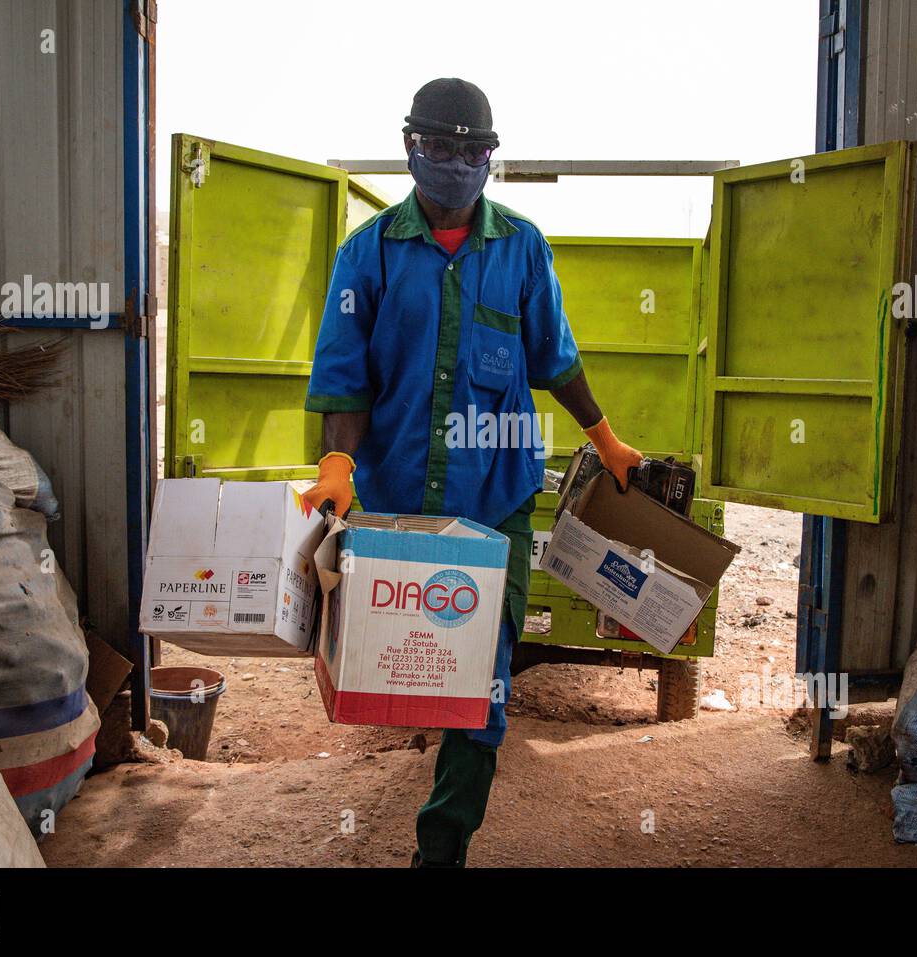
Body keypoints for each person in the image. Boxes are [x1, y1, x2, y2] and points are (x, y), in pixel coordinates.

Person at [302, 77, 642, 867]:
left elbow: (555, 356)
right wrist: (339, 462)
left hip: (495, 505)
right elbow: (346, 376)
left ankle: (442, 845)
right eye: (438, 148)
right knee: (409, 659)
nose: (454, 164)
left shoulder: (521, 247)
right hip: (399, 504)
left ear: (490, 158)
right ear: (409, 148)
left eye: (469, 150)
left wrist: (606, 437)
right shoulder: (369, 253)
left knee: (483, 672)